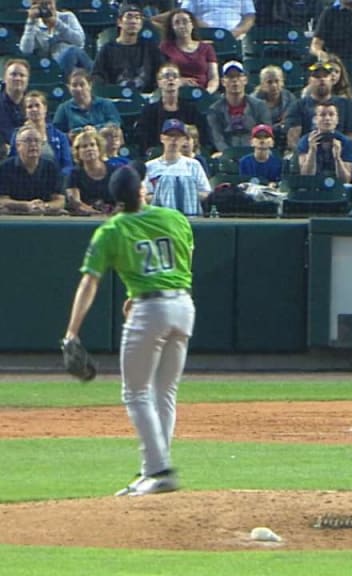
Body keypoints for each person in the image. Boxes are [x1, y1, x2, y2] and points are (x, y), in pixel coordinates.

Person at [62, 163, 195, 496]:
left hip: (149, 311)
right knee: (164, 393)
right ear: (142, 190)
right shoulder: (174, 218)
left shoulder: (112, 230)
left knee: (135, 393)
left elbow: (89, 282)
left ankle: (158, 469)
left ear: (115, 199)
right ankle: (153, 469)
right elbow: (184, 259)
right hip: (183, 306)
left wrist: (71, 332)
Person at [136, 63, 208, 156]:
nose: (171, 79)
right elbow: (144, 139)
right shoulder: (149, 111)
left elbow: (202, 136)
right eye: (166, 76)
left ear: (179, 81)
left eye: (175, 76)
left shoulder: (191, 110)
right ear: (159, 82)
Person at [145, 118, 212, 216]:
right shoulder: (149, 166)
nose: (173, 139)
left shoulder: (194, 165)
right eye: (170, 135)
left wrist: (185, 194)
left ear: (184, 139)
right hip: (159, 217)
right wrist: (167, 194)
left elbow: (206, 192)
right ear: (162, 138)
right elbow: (145, 196)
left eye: (178, 136)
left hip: (190, 217)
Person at [92, 4, 165, 94]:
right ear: (119, 22)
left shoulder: (150, 49)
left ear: (141, 24)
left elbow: (162, 72)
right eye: (129, 17)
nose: (133, 21)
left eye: (137, 18)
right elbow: (97, 76)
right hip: (115, 97)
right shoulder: (107, 49)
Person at [285, 61, 352, 150]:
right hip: (308, 153)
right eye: (317, 77)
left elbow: (350, 135)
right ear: (309, 81)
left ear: (331, 79)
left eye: (325, 76)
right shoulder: (297, 106)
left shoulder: (346, 104)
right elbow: (293, 139)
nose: (322, 79)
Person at [205, 61, 272, 155]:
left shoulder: (259, 106)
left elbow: (266, 132)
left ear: (245, 80)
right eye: (230, 77)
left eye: (238, 76)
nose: (235, 80)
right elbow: (217, 138)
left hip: (255, 151)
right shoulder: (214, 110)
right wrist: (229, 154)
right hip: (227, 154)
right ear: (223, 82)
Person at [0, 125, 64, 214]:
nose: (33, 144)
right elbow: (2, 200)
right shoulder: (5, 167)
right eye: (28, 141)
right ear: (18, 145)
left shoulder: (51, 167)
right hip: (14, 216)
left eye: (37, 141)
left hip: (45, 215)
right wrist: (27, 205)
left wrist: (45, 206)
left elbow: (60, 200)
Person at [19, 0, 93, 75]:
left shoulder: (67, 17)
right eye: (41, 5)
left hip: (75, 57)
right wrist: (31, 22)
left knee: (73, 51)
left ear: (55, 3)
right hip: (52, 64)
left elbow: (79, 41)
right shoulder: (34, 26)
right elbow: (26, 50)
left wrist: (57, 24)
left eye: (48, 3)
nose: (47, 8)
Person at [10, 90, 73, 178]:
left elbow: (67, 165)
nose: (34, 109)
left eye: (37, 105)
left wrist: (59, 180)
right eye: (30, 107)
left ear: (45, 108)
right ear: (25, 112)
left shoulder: (60, 136)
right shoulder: (17, 135)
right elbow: (12, 162)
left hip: (55, 182)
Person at [159, 9, 219, 94]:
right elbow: (161, 75)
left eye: (185, 22)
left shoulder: (207, 48)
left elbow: (213, 77)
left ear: (192, 24)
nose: (181, 26)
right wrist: (178, 81)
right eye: (177, 23)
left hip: (203, 92)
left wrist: (207, 92)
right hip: (175, 92)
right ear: (172, 27)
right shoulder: (165, 47)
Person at [295, 101, 352, 180]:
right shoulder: (305, 141)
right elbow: (306, 176)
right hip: (312, 186)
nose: (327, 118)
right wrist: (312, 152)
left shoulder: (346, 142)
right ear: (315, 119)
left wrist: (337, 158)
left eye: (331, 114)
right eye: (322, 115)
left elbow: (346, 180)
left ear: (337, 119)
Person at [52, 69, 123, 135]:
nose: (78, 89)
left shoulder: (105, 104)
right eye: (74, 85)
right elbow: (56, 133)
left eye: (82, 84)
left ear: (90, 85)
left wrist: (96, 129)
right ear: (69, 88)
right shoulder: (64, 108)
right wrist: (70, 135)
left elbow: (115, 123)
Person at [65, 128, 116, 215]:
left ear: (99, 148)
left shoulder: (114, 171)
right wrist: (96, 213)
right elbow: (75, 202)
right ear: (78, 152)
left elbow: (122, 201)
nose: (89, 149)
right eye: (84, 146)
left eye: (92, 145)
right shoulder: (74, 174)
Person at [251, 64, 296, 142]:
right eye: (269, 82)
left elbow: (290, 123)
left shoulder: (290, 98)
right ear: (262, 84)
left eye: (277, 81)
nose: (274, 85)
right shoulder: (253, 101)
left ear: (282, 82)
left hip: (284, 138)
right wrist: (279, 126)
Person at [178, 0, 256, 39]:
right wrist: (209, 31)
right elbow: (185, 13)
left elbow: (250, 16)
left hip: (236, 37)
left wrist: (238, 31)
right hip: (204, 36)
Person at [0, 59, 30, 158]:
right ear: (4, 78)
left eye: (22, 75)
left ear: (27, 80)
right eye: (13, 74)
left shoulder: (35, 105)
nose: (18, 78)